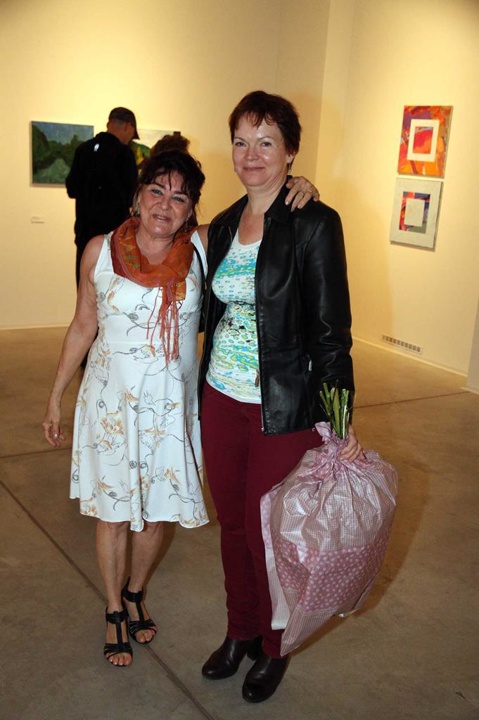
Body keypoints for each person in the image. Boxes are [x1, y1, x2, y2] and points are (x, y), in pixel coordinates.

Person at [43, 148, 316, 668]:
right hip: (110, 409)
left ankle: (136, 591)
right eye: (156, 191)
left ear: (191, 210)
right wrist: (56, 396)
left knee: (155, 515)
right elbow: (82, 325)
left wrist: (292, 185)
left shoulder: (202, 247)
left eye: (180, 197)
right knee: (113, 515)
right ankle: (113, 607)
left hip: (170, 411)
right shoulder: (100, 250)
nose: (165, 205)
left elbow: (257, 213)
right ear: (137, 195)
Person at [197, 91, 363, 703]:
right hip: (220, 397)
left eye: (266, 142)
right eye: (241, 141)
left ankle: (274, 644)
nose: (251, 155)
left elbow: (331, 330)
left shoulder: (315, 223)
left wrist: (339, 420)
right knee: (231, 526)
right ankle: (240, 629)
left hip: (284, 408)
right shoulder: (222, 224)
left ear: (290, 152)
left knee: (268, 534)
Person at [66, 107, 139, 286]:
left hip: (85, 234)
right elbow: (132, 196)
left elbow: (72, 189)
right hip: (114, 238)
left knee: (85, 287)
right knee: (111, 290)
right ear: (128, 127)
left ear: (108, 124)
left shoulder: (83, 149)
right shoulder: (124, 154)